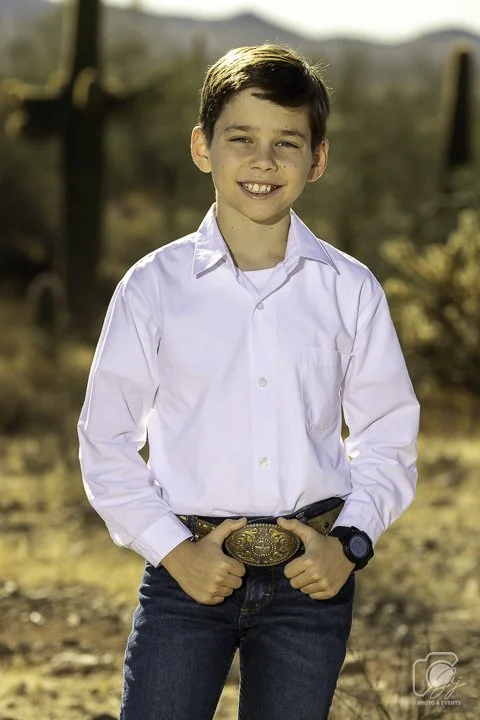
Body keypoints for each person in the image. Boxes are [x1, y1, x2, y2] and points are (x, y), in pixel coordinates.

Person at [77, 44, 420, 720]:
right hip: (185, 577)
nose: (264, 162)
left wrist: (350, 545)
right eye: (242, 139)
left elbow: (388, 436)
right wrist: (174, 553)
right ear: (203, 147)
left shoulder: (349, 290)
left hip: (311, 579)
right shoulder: (153, 288)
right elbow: (106, 438)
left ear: (317, 159)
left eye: (287, 143)